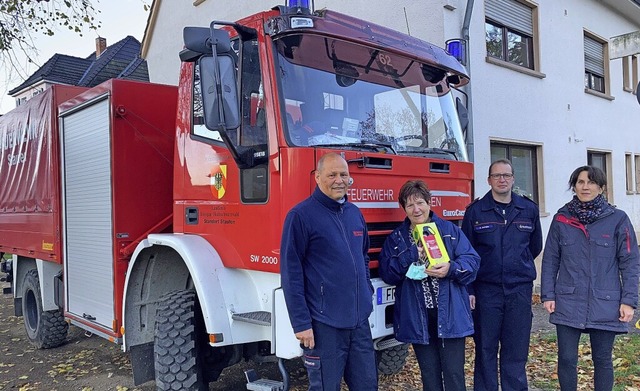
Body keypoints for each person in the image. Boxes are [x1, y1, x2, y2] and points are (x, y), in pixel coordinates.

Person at [280, 152, 377, 390]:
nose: (339, 180)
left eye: (344, 174)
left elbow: (363, 257)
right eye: (332, 174)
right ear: (317, 177)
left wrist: (366, 292)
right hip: (325, 325)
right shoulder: (300, 216)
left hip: (359, 323)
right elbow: (291, 274)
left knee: (367, 385)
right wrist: (301, 323)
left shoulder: (354, 213)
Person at [541, 165, 640, 391]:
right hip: (568, 300)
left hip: (605, 301)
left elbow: (630, 262)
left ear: (601, 187)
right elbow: (550, 259)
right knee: (566, 359)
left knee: (603, 360)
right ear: (573, 186)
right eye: (580, 182)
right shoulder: (561, 219)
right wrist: (547, 294)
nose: (585, 187)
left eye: (591, 182)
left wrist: (628, 301)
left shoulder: (618, 219)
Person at [379, 180, 480, 391]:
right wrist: (412, 255)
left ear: (429, 203)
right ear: (403, 208)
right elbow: (388, 272)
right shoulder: (397, 239)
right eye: (410, 205)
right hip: (418, 316)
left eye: (420, 203)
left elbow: (472, 261)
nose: (416, 209)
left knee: (454, 374)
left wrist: (451, 269)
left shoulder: (449, 230)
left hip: (450, 313)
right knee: (429, 376)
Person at [461, 159, 543, 391]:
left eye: (506, 175)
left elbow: (535, 246)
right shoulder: (475, 211)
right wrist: (470, 290)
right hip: (487, 291)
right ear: (489, 180)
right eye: (497, 176)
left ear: (513, 179)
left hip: (519, 289)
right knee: (485, 349)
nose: (502, 180)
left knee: (516, 350)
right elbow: (466, 253)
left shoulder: (528, 209)